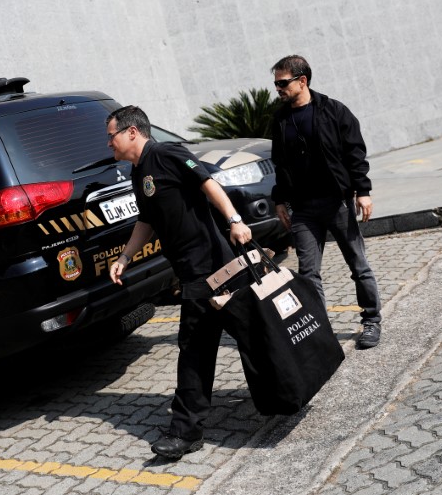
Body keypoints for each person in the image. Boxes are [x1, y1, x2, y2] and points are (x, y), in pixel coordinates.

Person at [106, 105, 251, 459]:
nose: (108, 143)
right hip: (191, 271)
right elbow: (147, 219)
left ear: (132, 132)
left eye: (111, 136)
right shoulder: (138, 171)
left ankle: (186, 430)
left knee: (197, 347)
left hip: (212, 266)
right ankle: (284, 384)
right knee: (227, 338)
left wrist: (235, 220)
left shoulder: (167, 153)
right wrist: (125, 257)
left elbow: (208, 182)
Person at [269, 55, 382, 349]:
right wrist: (280, 200)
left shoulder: (334, 111)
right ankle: (322, 332)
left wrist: (363, 190)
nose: (278, 89)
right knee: (308, 274)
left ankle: (371, 321)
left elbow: (354, 153)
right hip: (304, 209)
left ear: (302, 80)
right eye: (276, 84)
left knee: (358, 265)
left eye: (283, 83)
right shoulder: (280, 120)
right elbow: (279, 163)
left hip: (337, 203)